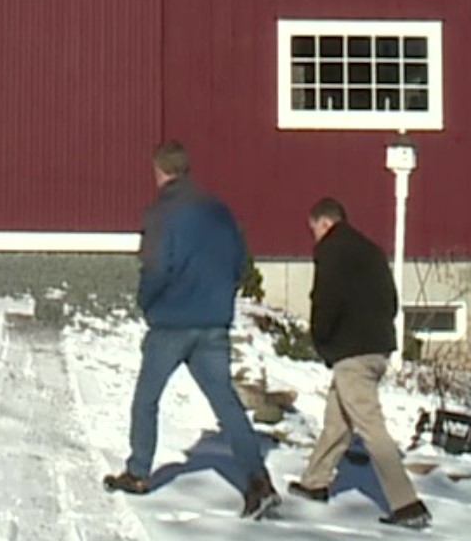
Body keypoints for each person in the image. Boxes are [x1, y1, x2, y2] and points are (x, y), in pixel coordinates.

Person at [103, 140, 280, 520]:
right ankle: (258, 479)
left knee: (147, 399)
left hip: (171, 322)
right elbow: (237, 262)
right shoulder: (218, 211)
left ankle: (138, 472)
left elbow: (156, 267)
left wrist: (147, 302)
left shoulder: (162, 213)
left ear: (159, 171)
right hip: (213, 323)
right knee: (225, 403)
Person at [289, 196, 432, 529]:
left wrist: (322, 340)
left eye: (314, 230)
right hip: (377, 347)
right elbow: (392, 301)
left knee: (369, 425)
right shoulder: (371, 250)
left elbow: (325, 301)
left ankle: (407, 503)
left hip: (351, 351)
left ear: (325, 223)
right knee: (338, 418)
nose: (315, 237)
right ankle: (315, 481)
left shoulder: (330, 250)